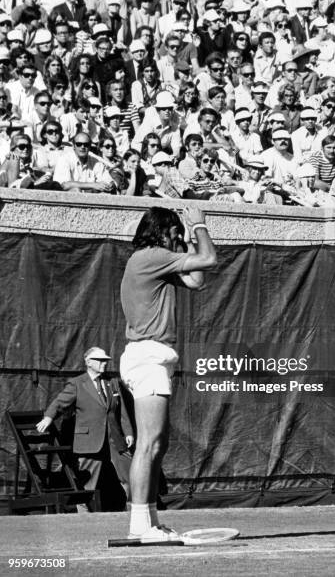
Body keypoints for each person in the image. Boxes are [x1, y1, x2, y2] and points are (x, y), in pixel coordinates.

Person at [119, 206, 217, 541]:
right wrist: (198, 224)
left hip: (152, 356)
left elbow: (197, 280)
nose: (177, 239)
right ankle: (138, 527)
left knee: (158, 443)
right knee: (148, 443)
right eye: (174, 233)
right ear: (161, 231)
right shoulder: (150, 256)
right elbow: (208, 260)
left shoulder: (157, 261)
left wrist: (188, 235)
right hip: (147, 354)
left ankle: (150, 523)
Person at [36, 346, 134, 511]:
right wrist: (48, 417)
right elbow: (60, 402)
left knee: (131, 475)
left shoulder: (113, 383)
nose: (104, 363)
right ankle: (83, 514)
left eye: (106, 361)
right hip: (89, 442)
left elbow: (122, 411)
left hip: (115, 440)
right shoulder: (77, 384)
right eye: (100, 360)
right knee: (87, 483)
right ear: (88, 362)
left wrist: (129, 432)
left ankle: (134, 511)